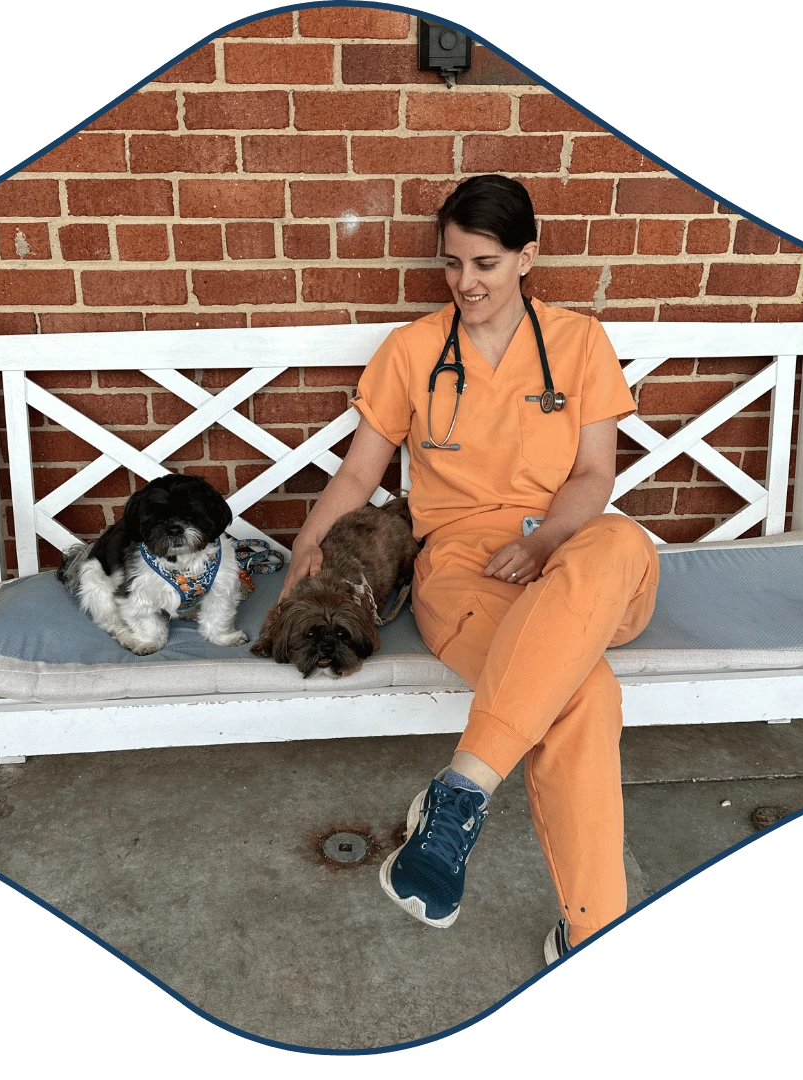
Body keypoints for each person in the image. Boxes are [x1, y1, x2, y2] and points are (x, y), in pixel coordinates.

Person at [278, 174, 659, 963]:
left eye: (485, 263)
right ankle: (591, 932)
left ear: (528, 257)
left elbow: (594, 477)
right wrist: (302, 558)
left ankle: (461, 791)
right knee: (580, 693)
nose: (466, 283)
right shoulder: (413, 351)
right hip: (462, 567)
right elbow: (357, 478)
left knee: (623, 541)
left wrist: (549, 541)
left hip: (577, 555)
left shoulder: (580, 342)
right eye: (452, 264)